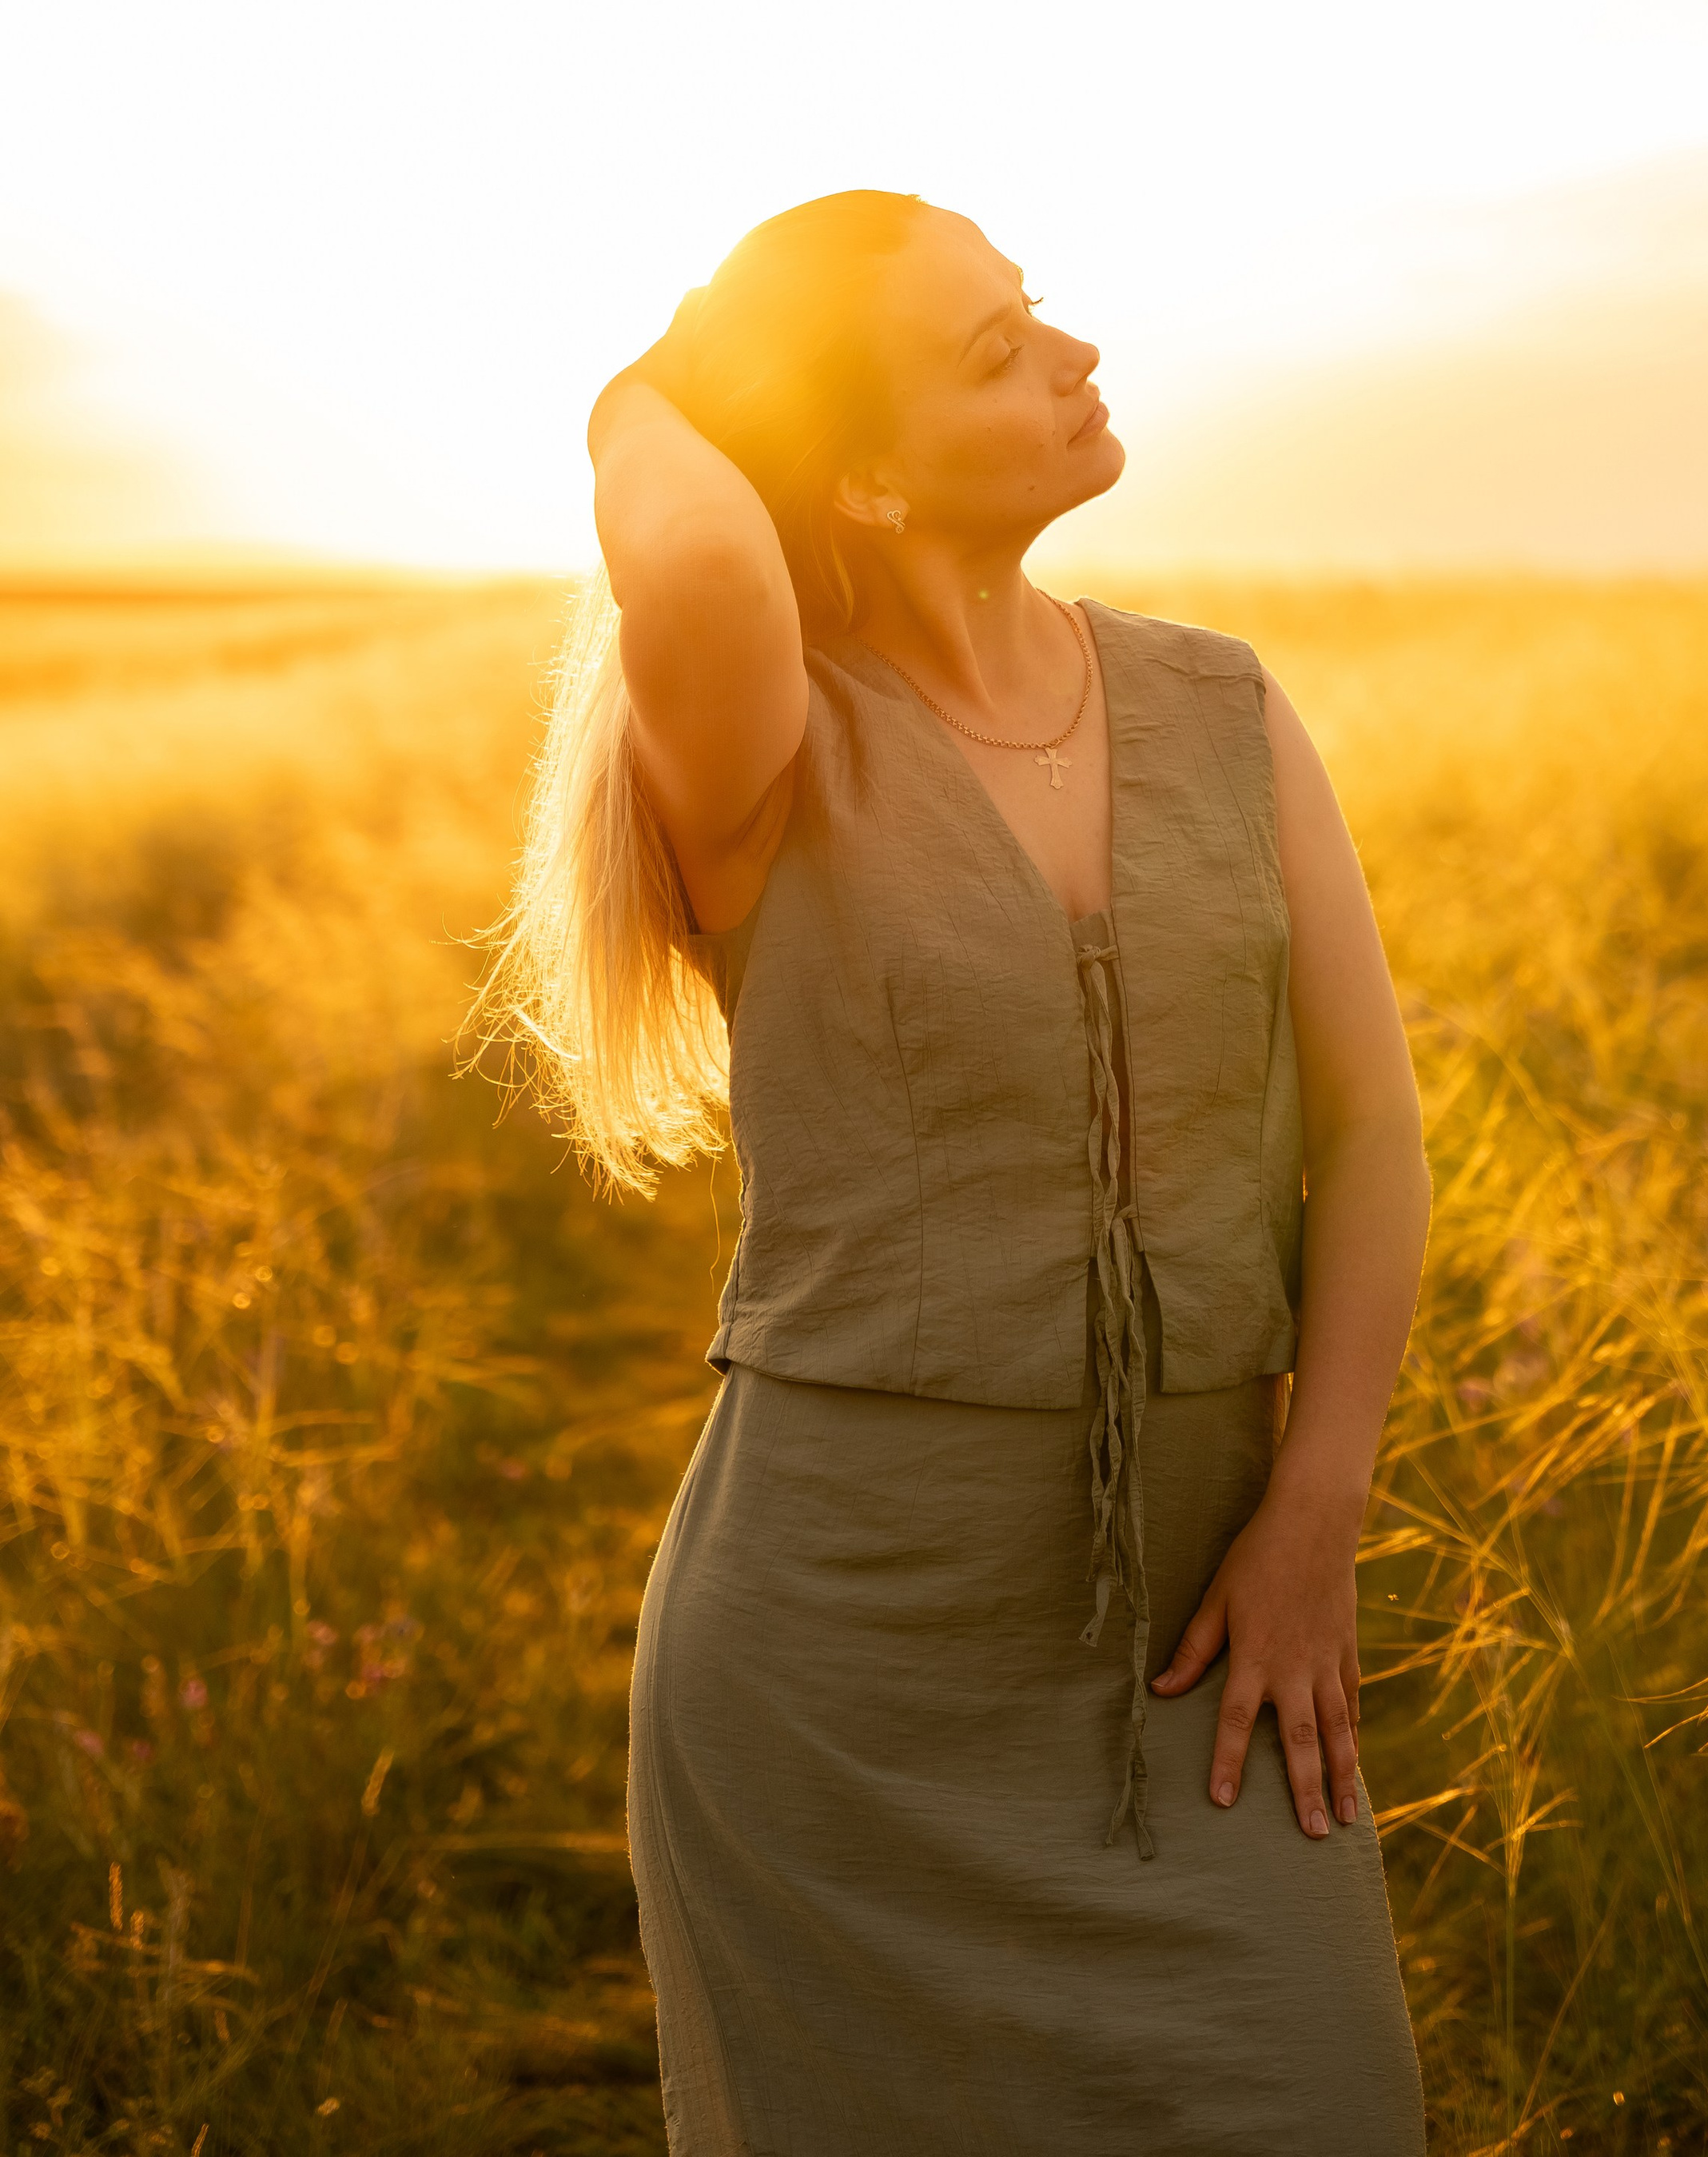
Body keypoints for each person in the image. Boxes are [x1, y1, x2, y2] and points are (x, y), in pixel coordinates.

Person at [490, 188, 1430, 2155]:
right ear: (865, 491)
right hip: (844, 1651)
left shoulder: (1220, 707)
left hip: (1213, 1621)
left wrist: (1312, 1515)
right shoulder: (761, 739)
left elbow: (1362, 1130)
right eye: (991, 356)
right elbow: (690, 557)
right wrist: (647, 389)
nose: (1073, 359)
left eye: (1039, 312)